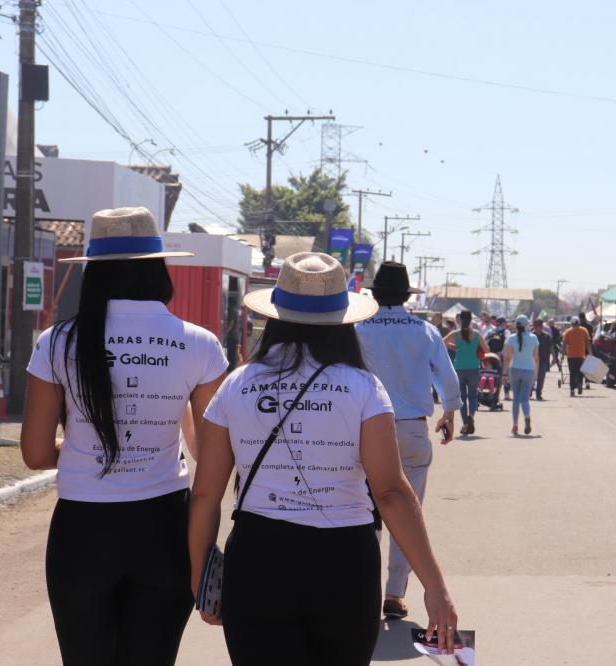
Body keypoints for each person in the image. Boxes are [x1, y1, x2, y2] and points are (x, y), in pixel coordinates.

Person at [188, 253, 458, 664]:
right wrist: (434, 587)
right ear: (343, 319)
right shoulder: (364, 387)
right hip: (344, 562)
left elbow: (206, 493)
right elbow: (390, 493)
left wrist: (200, 580)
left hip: (258, 558)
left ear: (276, 315)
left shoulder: (237, 385)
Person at [20, 207, 227, 666]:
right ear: (159, 267)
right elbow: (213, 454)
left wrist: (79, 450)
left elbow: (35, 453)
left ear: (92, 271)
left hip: (81, 531)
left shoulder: (56, 342)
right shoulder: (200, 343)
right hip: (164, 529)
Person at [357, 261, 462, 621]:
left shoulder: (359, 329)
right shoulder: (425, 331)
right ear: (405, 296)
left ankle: (363, 589)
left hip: (365, 428)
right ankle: (394, 594)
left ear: (375, 294)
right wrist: (449, 414)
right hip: (413, 428)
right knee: (408, 513)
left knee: (362, 512)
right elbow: (447, 381)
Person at [444, 311, 489, 435]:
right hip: (473, 367)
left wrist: (455, 347)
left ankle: (465, 423)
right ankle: (471, 416)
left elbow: (442, 342)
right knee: (473, 396)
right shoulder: (476, 334)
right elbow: (487, 349)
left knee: (462, 397)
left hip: (459, 368)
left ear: (459, 320)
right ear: (470, 320)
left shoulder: (455, 334)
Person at [505, 315, 540, 435]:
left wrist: (504, 374)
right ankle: (527, 417)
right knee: (525, 399)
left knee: (516, 399)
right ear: (527, 325)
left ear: (516, 325)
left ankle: (515, 425)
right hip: (529, 370)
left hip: (514, 369)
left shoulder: (511, 338)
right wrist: (536, 374)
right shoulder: (534, 338)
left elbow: (508, 358)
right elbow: (536, 358)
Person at [562, 316, 592, 397]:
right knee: (580, 371)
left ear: (571, 323)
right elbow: (588, 343)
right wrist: (590, 353)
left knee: (572, 372)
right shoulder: (584, 330)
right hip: (581, 355)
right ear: (579, 322)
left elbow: (564, 344)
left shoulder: (567, 331)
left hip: (571, 356)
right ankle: (579, 383)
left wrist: (562, 354)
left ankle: (572, 389)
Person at [532, 317, 553, 400]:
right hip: (532, 361)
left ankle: (538, 394)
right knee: (531, 378)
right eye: (535, 325)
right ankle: (529, 391)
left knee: (541, 378)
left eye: (539, 325)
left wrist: (554, 357)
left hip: (543, 360)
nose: (537, 327)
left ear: (542, 326)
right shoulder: (531, 336)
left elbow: (551, 347)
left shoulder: (547, 336)